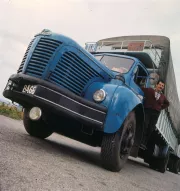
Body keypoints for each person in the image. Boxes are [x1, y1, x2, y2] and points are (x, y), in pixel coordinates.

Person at [141, 79, 169, 146]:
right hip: (147, 110)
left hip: (156, 113)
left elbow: (167, 104)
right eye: (160, 85)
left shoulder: (163, 97)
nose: (161, 86)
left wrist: (160, 108)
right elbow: (142, 89)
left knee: (151, 128)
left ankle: (144, 143)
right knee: (145, 125)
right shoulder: (150, 90)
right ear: (157, 85)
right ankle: (141, 141)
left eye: (162, 86)